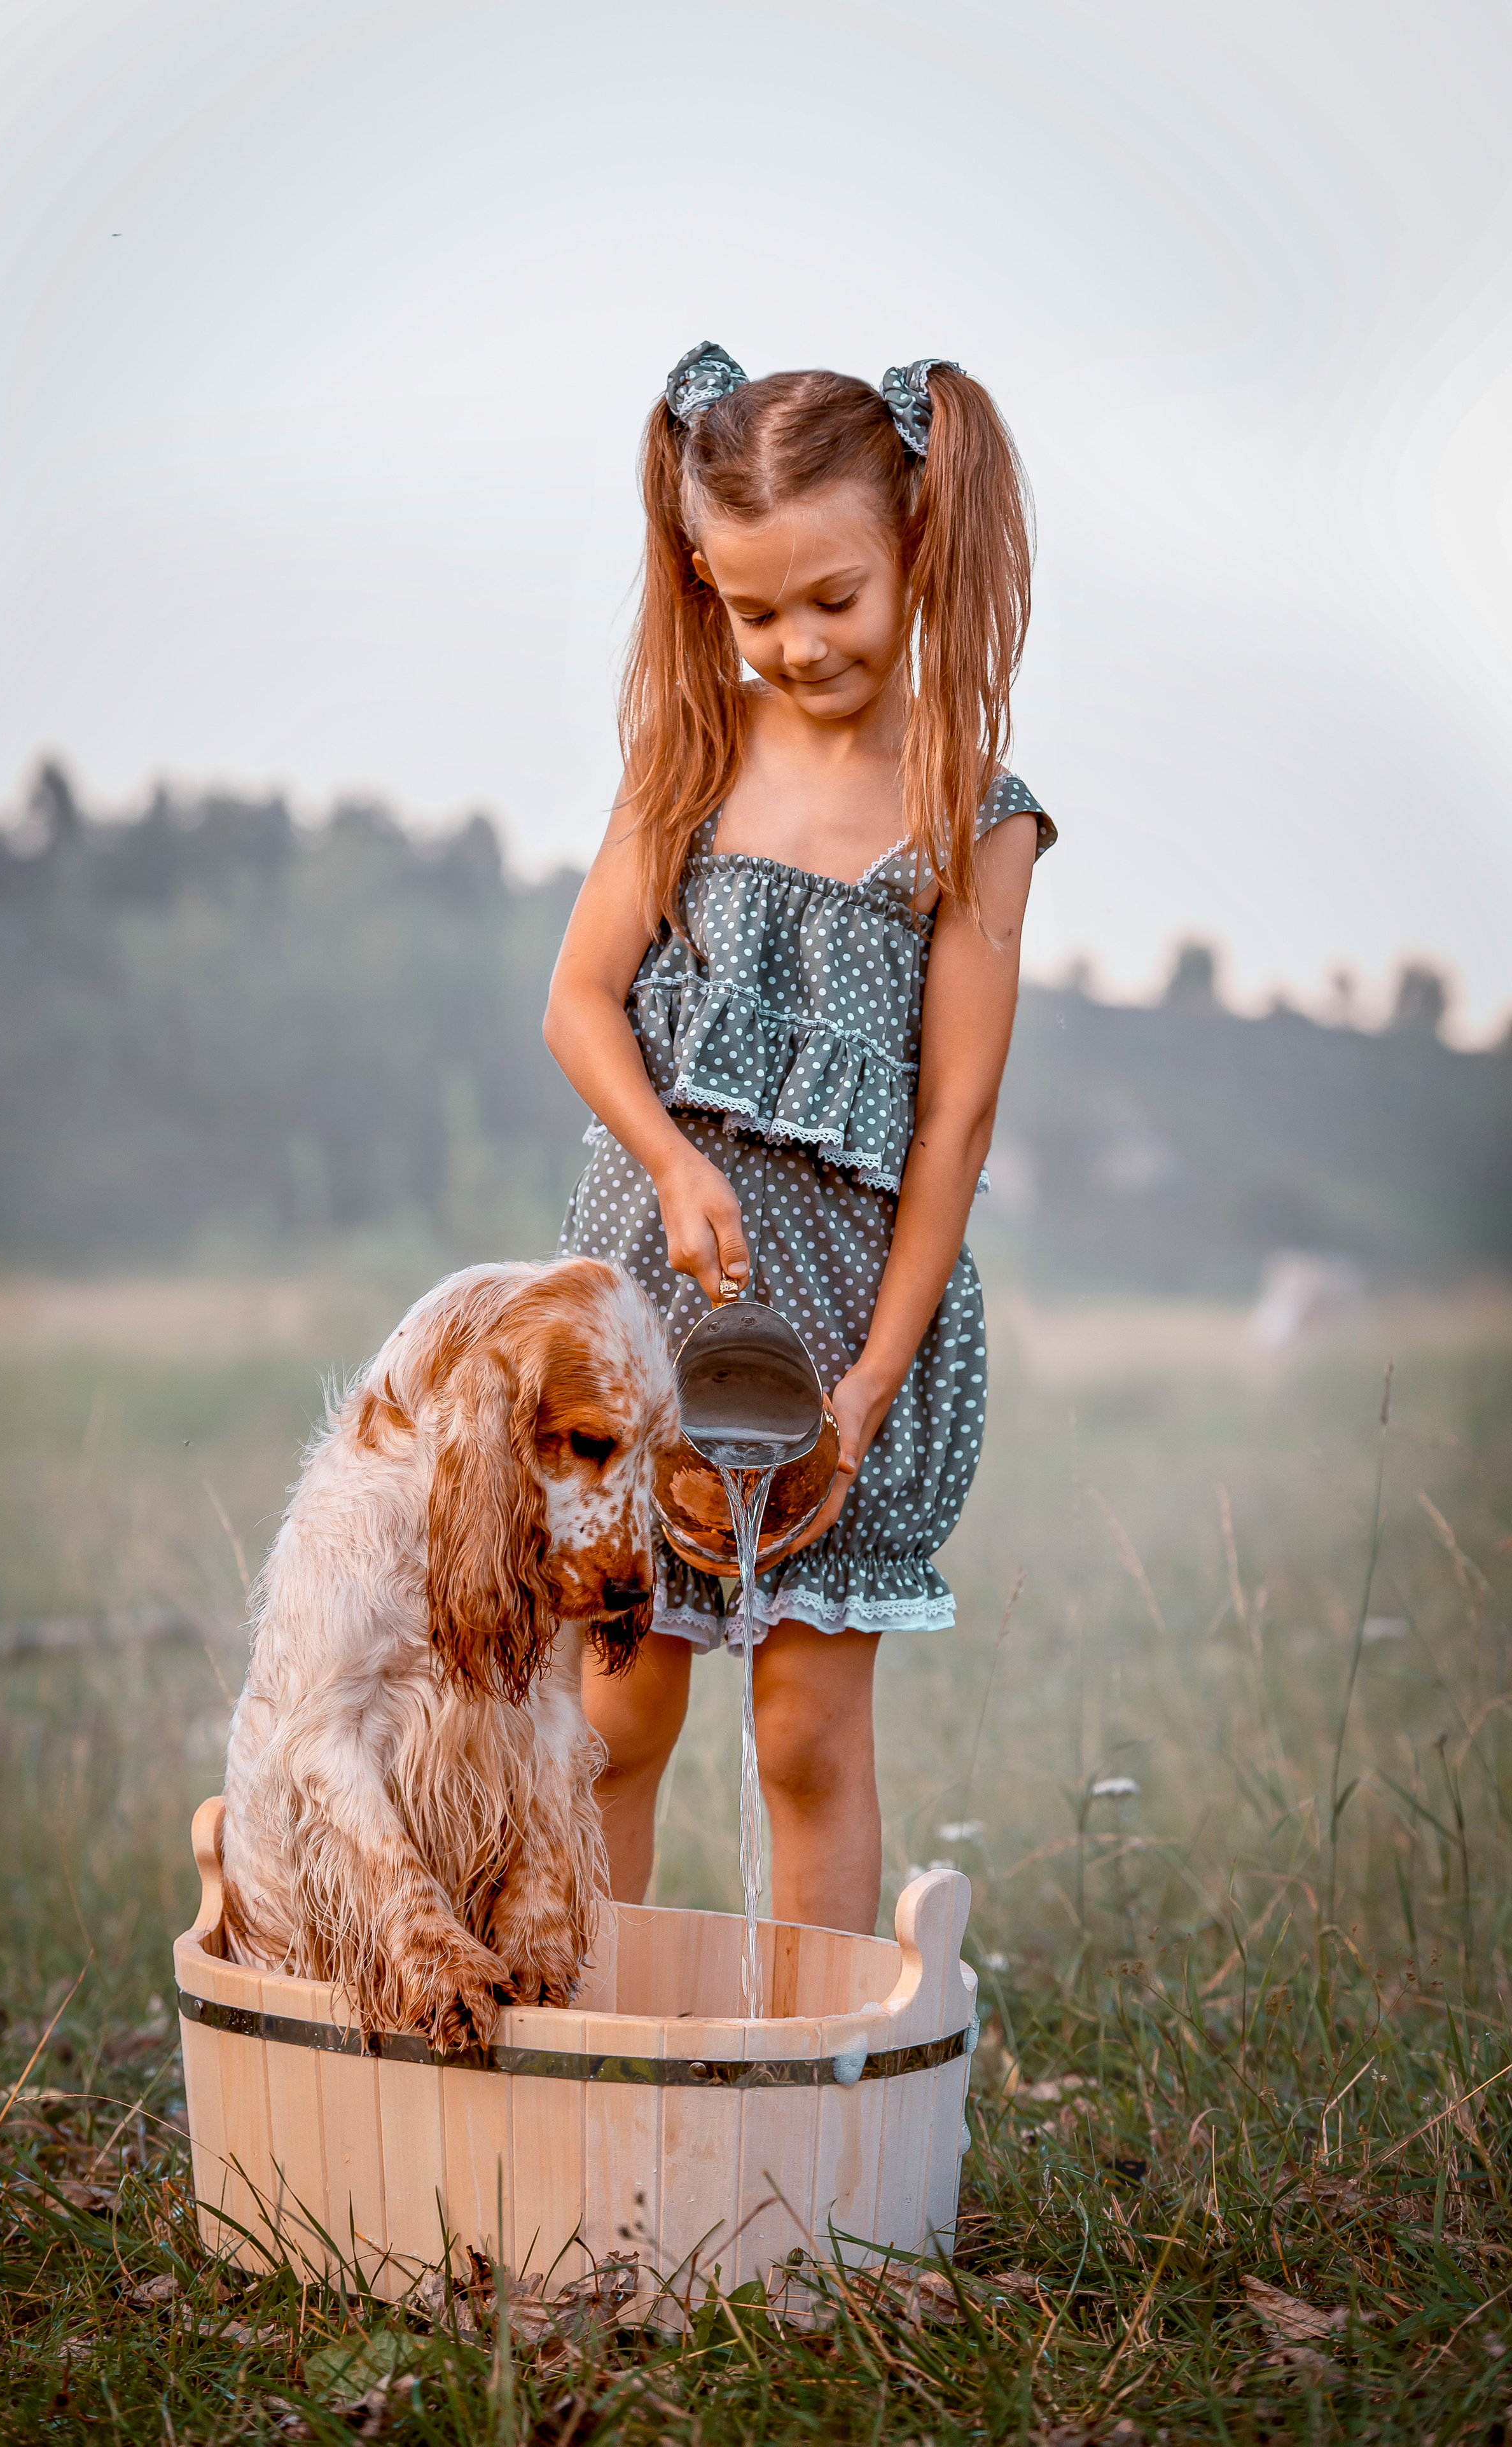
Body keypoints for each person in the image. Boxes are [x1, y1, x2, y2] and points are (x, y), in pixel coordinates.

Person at [543, 345, 1056, 1937]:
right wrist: (673, 1162)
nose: (793, 646)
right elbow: (576, 1003)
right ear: (703, 585)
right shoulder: (689, 762)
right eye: (751, 612)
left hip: (849, 1336)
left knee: (806, 1741)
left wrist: (869, 1384)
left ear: (915, 545)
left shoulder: (974, 813)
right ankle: (589, 2035)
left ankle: (811, 2090)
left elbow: (953, 1123)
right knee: (616, 1716)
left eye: (830, 599)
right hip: (651, 1309)